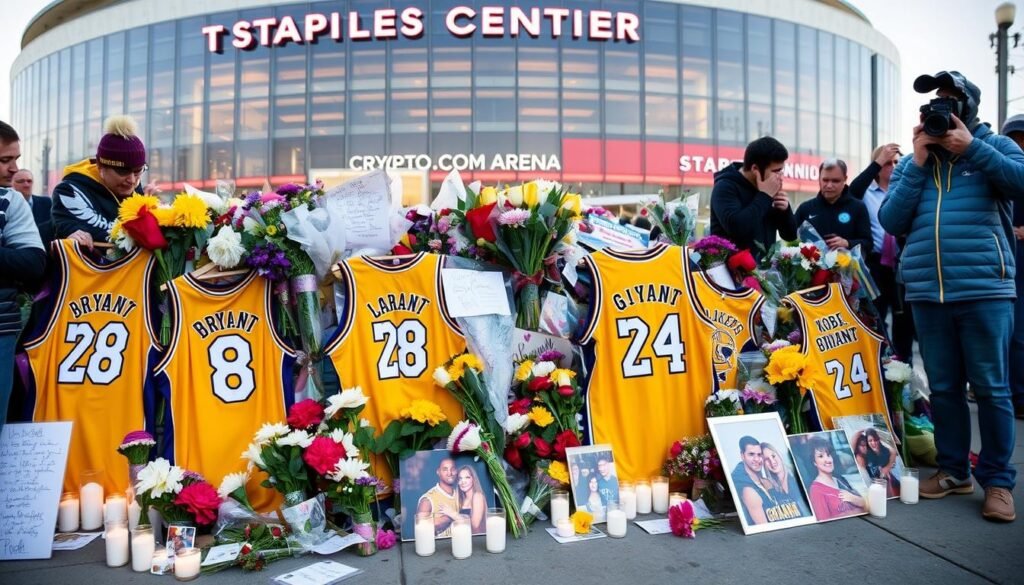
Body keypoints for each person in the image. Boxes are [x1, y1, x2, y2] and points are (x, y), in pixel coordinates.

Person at [879, 70, 1020, 522]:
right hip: (927, 291)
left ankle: (998, 482)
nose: (939, 109)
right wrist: (918, 162)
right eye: (933, 103)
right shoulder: (912, 162)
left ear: (968, 108)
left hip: (983, 288)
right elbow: (891, 219)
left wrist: (972, 148)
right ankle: (953, 471)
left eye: (949, 100)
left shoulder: (994, 147)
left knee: (992, 388)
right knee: (943, 389)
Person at [849, 144, 916, 362]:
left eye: (896, 162)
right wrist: (877, 162)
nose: (893, 166)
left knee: (904, 321)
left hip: (902, 264)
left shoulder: (904, 191)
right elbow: (852, 191)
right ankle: (880, 364)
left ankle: (904, 370)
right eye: (887, 162)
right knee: (875, 317)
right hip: (876, 265)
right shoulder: (866, 193)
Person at [51, 115, 159, 249]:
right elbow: (109, 234)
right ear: (101, 167)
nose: (131, 180)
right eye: (122, 171)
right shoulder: (70, 191)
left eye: (138, 171)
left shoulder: (136, 189)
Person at [0, 121, 46, 434]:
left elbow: (33, 263)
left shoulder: (11, 201)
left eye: (15, 159)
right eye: (4, 160)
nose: (14, 169)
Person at [709, 136, 797, 260]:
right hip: (729, 272)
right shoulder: (725, 187)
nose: (780, 177)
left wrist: (785, 211)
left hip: (764, 273)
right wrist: (765, 196)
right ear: (755, 169)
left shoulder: (768, 188)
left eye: (781, 171)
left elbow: (790, 235)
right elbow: (737, 228)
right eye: (776, 171)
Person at [1000, 113, 1024, 420]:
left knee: (1019, 335)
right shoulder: (999, 169)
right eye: (1014, 139)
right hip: (1004, 262)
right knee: (1006, 334)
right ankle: (1012, 393)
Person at [793, 159, 872, 252]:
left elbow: (868, 243)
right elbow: (790, 240)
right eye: (825, 180)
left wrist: (847, 243)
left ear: (845, 179)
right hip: (811, 266)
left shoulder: (858, 207)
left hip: (847, 266)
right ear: (819, 179)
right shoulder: (805, 208)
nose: (829, 185)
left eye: (835, 181)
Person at [730, 436, 802, 525]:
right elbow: (764, 528)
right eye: (751, 454)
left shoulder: (767, 482)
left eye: (759, 455)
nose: (757, 459)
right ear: (742, 455)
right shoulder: (749, 491)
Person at [805, 437, 865, 521]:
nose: (828, 460)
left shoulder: (841, 480)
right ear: (814, 462)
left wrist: (854, 499)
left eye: (828, 455)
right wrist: (855, 511)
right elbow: (825, 523)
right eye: (821, 456)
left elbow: (865, 505)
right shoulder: (816, 490)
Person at [760, 442, 811, 518]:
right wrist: (771, 491)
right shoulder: (770, 487)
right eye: (766, 459)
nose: (772, 461)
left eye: (773, 456)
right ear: (763, 464)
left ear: (779, 455)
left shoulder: (796, 472)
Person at [417, 457, 459, 536]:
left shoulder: (461, 495)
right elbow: (421, 527)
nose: (449, 473)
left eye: (452, 469)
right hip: (439, 547)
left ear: (456, 471)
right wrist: (449, 518)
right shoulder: (427, 499)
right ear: (438, 472)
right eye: (445, 469)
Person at [10, 169, 52, 245]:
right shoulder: (6, 205)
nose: (26, 185)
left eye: (29, 181)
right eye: (21, 181)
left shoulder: (46, 203)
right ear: (11, 184)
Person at [456, 465, 486, 533]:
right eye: (460, 478)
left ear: (473, 479)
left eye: (467, 477)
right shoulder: (462, 500)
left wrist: (453, 514)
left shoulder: (477, 496)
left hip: (477, 541)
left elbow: (475, 525)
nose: (463, 481)